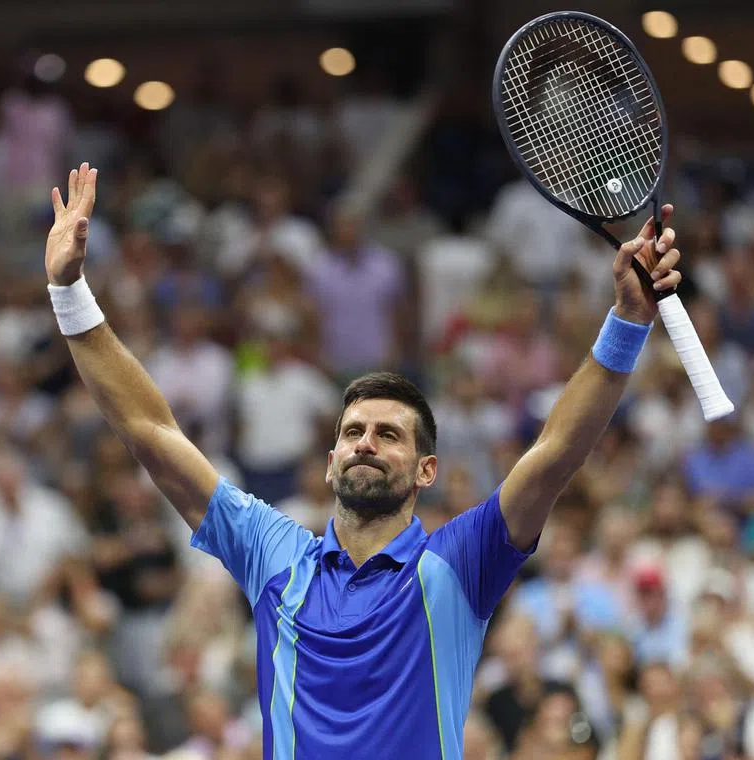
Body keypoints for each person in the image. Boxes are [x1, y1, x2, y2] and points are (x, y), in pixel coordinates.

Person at [42, 163, 685, 759]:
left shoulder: (456, 565)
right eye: (353, 431)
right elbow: (151, 432)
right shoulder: (276, 557)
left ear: (426, 471)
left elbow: (554, 453)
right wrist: (69, 290)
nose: (366, 442)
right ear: (329, 462)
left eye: (389, 434)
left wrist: (629, 317)